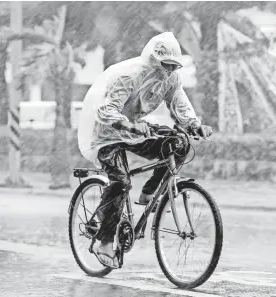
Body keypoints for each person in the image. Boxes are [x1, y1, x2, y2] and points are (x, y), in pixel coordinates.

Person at [77, 32, 213, 268]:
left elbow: (181, 104)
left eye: (173, 66)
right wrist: (128, 124)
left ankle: (149, 192)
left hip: (136, 130)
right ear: (153, 60)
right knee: (120, 182)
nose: (168, 70)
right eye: (165, 65)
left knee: (178, 144)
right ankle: (105, 240)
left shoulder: (171, 79)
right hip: (106, 134)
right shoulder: (128, 76)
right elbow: (106, 110)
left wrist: (195, 125)